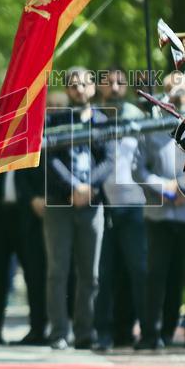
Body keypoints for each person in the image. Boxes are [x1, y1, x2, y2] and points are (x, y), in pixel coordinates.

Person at [136, 72, 185, 351]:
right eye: (170, 90)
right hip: (159, 213)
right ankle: (151, 334)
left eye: (181, 90)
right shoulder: (151, 125)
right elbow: (138, 169)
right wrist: (165, 189)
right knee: (156, 273)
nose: (175, 95)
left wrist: (180, 188)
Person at [43, 66, 112, 350]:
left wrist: (89, 188)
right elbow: (50, 159)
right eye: (73, 85)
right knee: (58, 269)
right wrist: (73, 187)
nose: (79, 90)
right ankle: (59, 331)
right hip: (60, 202)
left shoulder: (104, 121)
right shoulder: (55, 119)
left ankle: (85, 332)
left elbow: (109, 160)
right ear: (68, 90)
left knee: (90, 273)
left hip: (92, 202)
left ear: (93, 87)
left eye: (84, 84)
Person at [94, 67, 148, 351]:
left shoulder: (138, 117)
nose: (114, 86)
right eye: (108, 82)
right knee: (104, 273)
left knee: (138, 270)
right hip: (103, 204)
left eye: (119, 82)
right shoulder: (93, 118)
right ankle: (103, 333)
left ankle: (147, 333)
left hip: (136, 204)